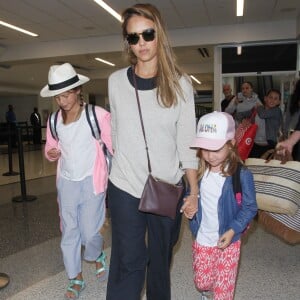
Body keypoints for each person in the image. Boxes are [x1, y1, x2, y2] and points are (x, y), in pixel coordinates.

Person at [106, 4, 199, 300]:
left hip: (166, 186)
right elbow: (118, 133)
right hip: (124, 185)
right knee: (128, 260)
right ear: (127, 43)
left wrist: (193, 191)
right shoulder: (116, 82)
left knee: (159, 259)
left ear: (159, 33)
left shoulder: (180, 84)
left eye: (147, 34)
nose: (141, 43)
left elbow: (187, 142)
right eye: (133, 38)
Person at [41, 63, 112, 299]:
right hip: (67, 183)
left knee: (90, 232)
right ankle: (75, 278)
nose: (62, 101)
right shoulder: (53, 121)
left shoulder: (97, 115)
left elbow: (114, 147)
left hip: (92, 181)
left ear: (78, 90)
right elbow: (51, 146)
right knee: (69, 232)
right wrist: (50, 152)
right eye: (57, 97)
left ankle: (96, 254)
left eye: (66, 95)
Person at [189, 111, 257, 300]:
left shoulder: (241, 174)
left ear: (231, 145)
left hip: (229, 239)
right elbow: (191, 195)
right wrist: (189, 205)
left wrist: (233, 229)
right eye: (204, 149)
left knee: (223, 292)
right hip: (203, 236)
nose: (210, 155)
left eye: (216, 149)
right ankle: (208, 291)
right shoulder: (199, 173)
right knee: (202, 282)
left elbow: (250, 207)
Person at [249, 88, 283, 158]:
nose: (272, 100)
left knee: (266, 167)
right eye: (270, 97)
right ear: (265, 98)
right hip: (255, 145)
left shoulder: (276, 111)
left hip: (269, 146)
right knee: (253, 166)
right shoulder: (260, 110)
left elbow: (263, 115)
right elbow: (245, 115)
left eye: (275, 98)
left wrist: (259, 107)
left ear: (279, 102)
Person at [283, 79, 300, 160]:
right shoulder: (292, 98)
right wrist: (285, 132)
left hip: (294, 131)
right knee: (293, 157)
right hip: (293, 131)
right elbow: (288, 116)